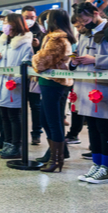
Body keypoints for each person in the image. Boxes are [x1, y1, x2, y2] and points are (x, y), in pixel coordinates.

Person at [32, 9, 76, 172]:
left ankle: (56, 159)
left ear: (54, 21)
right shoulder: (52, 38)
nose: (43, 22)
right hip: (48, 82)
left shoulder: (56, 39)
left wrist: (35, 57)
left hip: (54, 84)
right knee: (46, 120)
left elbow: (41, 63)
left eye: (47, 19)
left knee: (53, 121)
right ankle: (54, 156)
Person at [0, 14, 34, 159]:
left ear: (14, 24)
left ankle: (16, 146)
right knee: (3, 116)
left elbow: (27, 65)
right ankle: (7, 143)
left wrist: (16, 80)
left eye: (6, 22)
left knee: (14, 116)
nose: (3, 25)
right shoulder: (2, 40)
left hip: (13, 86)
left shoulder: (25, 43)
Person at [71, 2, 108, 183]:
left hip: (103, 87)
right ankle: (97, 163)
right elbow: (78, 53)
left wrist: (95, 59)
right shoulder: (84, 33)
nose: (83, 25)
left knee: (104, 129)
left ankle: (106, 168)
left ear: (96, 13)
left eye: (85, 20)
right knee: (92, 127)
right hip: (85, 87)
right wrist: (73, 61)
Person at [64, 14, 90, 144]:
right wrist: (74, 62)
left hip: (96, 81)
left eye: (81, 25)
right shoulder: (82, 36)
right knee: (76, 107)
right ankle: (75, 134)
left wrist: (95, 60)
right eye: (77, 27)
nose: (79, 28)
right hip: (80, 79)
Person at [21, 5, 44, 145]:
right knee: (18, 105)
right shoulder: (18, 31)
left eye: (32, 17)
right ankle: (19, 133)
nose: (30, 20)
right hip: (19, 74)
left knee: (35, 105)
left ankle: (36, 133)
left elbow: (44, 53)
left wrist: (37, 46)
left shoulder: (41, 32)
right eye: (26, 17)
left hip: (34, 74)